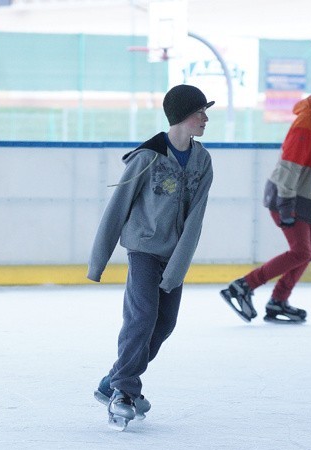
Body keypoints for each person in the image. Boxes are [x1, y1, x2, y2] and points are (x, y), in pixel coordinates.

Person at [88, 84, 214, 430]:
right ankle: (125, 392)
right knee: (141, 319)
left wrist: (177, 267)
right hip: (143, 250)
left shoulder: (203, 161)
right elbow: (118, 208)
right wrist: (98, 261)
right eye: (200, 112)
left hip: (175, 255)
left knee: (163, 326)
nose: (205, 118)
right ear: (182, 117)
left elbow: (195, 219)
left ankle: (111, 381)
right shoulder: (147, 158)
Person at [220, 68, 311, 323]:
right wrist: (286, 204)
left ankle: (278, 301)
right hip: (288, 195)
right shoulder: (309, 119)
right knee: (300, 251)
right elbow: (290, 163)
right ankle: (243, 286)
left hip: (304, 196)